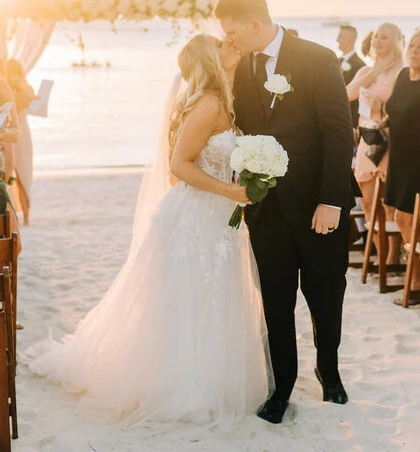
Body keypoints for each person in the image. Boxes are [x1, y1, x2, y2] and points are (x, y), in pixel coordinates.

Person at [24, 34, 272, 427]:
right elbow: (179, 165)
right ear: (210, 59)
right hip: (197, 215)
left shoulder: (220, 99)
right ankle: (184, 386)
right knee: (188, 297)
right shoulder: (207, 103)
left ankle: (211, 379)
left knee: (213, 295)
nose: (232, 47)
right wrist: (230, 190)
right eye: (222, 45)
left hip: (217, 215)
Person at [215, 0, 358, 424]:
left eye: (234, 30)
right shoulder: (240, 67)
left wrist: (332, 201)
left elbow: (338, 132)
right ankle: (282, 388)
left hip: (319, 206)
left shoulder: (317, 58)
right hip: (267, 210)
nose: (230, 39)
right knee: (275, 302)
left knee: (325, 296)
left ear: (256, 24)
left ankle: (328, 371)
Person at [382, 28, 420, 297]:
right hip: (397, 158)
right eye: (412, 46)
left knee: (409, 218)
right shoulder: (402, 76)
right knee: (400, 216)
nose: (414, 51)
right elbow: (394, 111)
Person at [346, 24, 404, 224]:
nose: (377, 40)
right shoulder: (365, 70)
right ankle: (378, 252)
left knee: (388, 205)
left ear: (395, 42)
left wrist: (383, 106)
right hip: (367, 140)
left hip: (389, 141)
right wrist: (376, 70)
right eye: (375, 36)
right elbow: (348, 94)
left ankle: (392, 255)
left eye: (384, 37)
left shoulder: (401, 72)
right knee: (369, 203)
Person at [6, 59, 37, 225]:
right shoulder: (10, 90)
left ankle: (25, 214)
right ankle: (21, 214)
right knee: (16, 172)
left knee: (21, 173)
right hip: (17, 132)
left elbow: (36, 109)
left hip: (20, 132)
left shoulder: (23, 89)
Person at [337, 24, 366, 128]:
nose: (337, 40)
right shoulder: (335, 61)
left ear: (351, 39)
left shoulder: (360, 65)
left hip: (350, 120)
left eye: (340, 37)